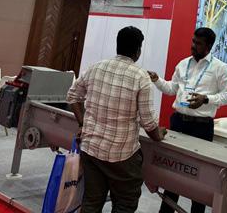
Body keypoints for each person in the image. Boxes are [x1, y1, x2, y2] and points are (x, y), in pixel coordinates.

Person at [67, 26, 167, 213]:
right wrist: (158, 135)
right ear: (138, 51)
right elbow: (148, 123)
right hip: (122, 156)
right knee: (124, 204)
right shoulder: (141, 77)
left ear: (117, 45)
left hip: (91, 148)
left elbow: (72, 96)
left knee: (91, 201)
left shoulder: (95, 67)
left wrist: (83, 123)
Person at [149, 27, 227, 213]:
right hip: (178, 123)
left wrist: (206, 99)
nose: (193, 45)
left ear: (208, 46)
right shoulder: (183, 63)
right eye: (193, 41)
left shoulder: (220, 68)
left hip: (201, 128)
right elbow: (172, 89)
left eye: (198, 43)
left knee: (199, 177)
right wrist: (157, 80)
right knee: (172, 172)